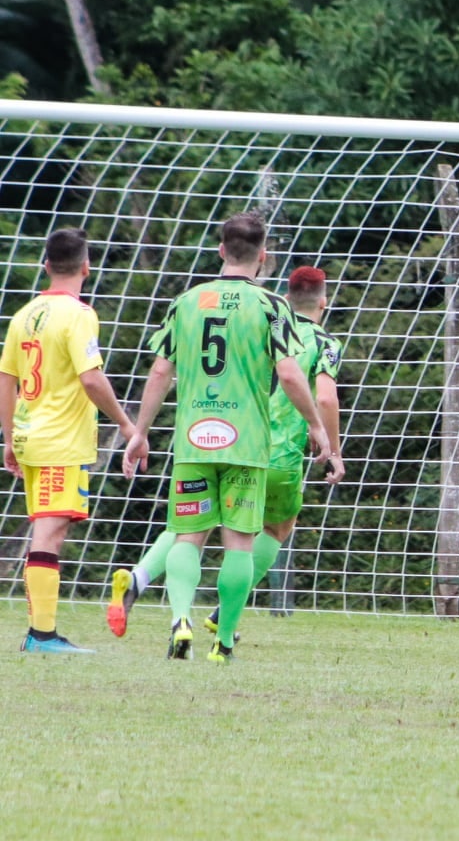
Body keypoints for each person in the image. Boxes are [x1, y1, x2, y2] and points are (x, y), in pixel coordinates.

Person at [123, 213, 337, 663]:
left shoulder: (186, 301)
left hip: (194, 440)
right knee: (240, 542)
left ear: (221, 251)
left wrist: (139, 431)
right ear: (263, 257)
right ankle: (222, 643)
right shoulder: (271, 306)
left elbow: (162, 370)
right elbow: (290, 373)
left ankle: (180, 619)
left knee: (186, 535)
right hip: (247, 444)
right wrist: (317, 426)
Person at [0, 228, 141, 653]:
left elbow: (6, 380)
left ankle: (41, 633)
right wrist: (126, 424)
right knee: (50, 533)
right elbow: (91, 378)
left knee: (47, 528)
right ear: (86, 266)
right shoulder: (79, 315)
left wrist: (8, 439)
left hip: (28, 435)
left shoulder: (24, 315)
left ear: (46, 265)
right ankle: (41, 635)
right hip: (60, 440)